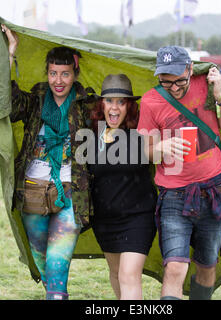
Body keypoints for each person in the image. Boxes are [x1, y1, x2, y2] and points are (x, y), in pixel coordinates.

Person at [137, 46, 221, 300]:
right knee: (175, 267)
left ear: (190, 69)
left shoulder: (206, 84)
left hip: (215, 188)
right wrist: (159, 147)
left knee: (207, 265)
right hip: (174, 194)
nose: (173, 87)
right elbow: (142, 152)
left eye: (180, 80)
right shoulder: (151, 100)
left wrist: (219, 96)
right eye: (165, 81)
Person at [1, 24, 95, 300]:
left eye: (65, 74)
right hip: (31, 191)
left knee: (57, 264)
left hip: (69, 192)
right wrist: (10, 55)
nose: (58, 80)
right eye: (53, 73)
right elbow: (5, 102)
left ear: (75, 74)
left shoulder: (86, 104)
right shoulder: (35, 101)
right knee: (44, 265)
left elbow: (119, 117)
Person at [88, 74, 157, 300]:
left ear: (129, 106)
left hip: (138, 217)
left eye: (121, 102)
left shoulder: (141, 133)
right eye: (109, 101)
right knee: (117, 273)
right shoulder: (92, 136)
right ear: (101, 104)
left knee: (128, 275)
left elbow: (156, 151)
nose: (114, 107)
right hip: (105, 220)